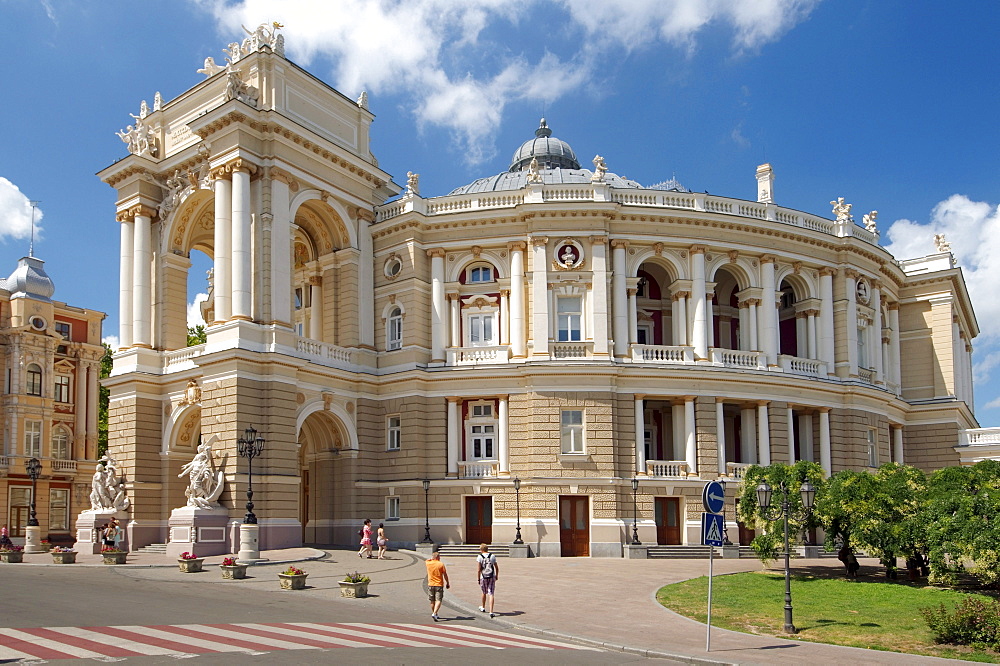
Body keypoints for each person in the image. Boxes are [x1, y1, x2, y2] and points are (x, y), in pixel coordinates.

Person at [425, 550, 450, 621]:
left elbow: (427, 560)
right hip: (439, 584)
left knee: (432, 600)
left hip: (430, 584)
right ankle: (435, 613)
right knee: (438, 600)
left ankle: (435, 613)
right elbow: (445, 574)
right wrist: (447, 582)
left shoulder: (428, 563)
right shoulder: (441, 564)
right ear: (438, 557)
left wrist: (432, 558)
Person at [476, 543, 499, 618]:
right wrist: (496, 576)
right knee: (491, 593)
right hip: (491, 576)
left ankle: (483, 607)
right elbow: (496, 567)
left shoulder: (480, 557)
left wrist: (478, 578)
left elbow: (479, 569)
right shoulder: (492, 556)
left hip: (483, 576)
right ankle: (491, 611)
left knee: (484, 592)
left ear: (481, 550)